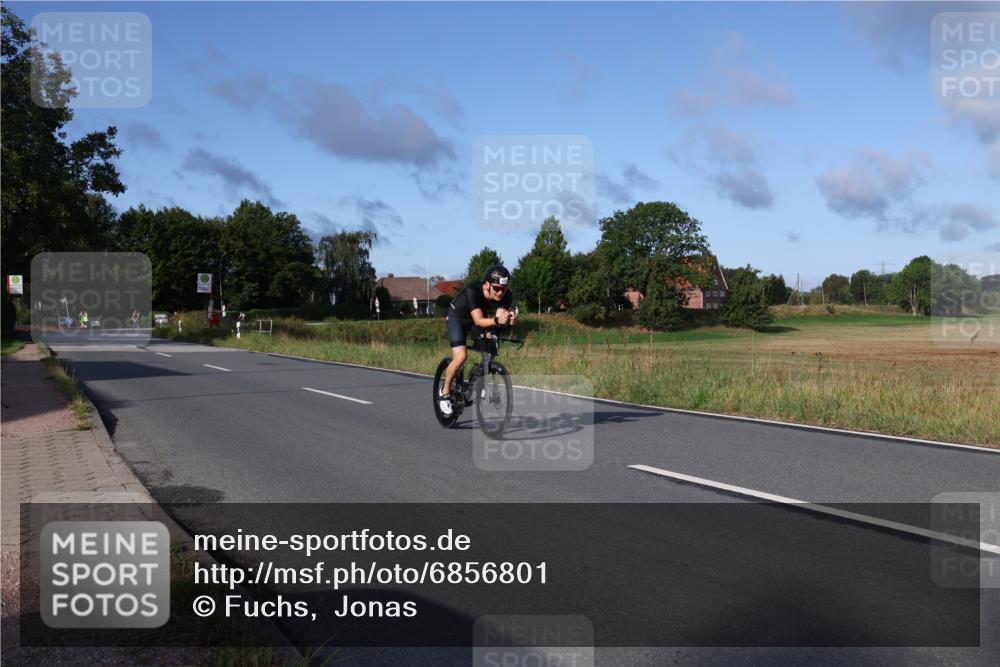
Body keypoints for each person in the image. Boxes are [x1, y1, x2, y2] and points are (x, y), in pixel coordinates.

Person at [439, 265, 518, 415]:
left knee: (492, 341)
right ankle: (445, 392)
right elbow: (479, 320)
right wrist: (496, 319)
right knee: (461, 356)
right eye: (496, 288)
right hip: (458, 318)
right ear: (487, 284)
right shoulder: (473, 290)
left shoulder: (506, 295)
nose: (500, 292)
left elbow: (500, 319)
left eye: (504, 288)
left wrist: (510, 320)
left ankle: (478, 377)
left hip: (477, 321)